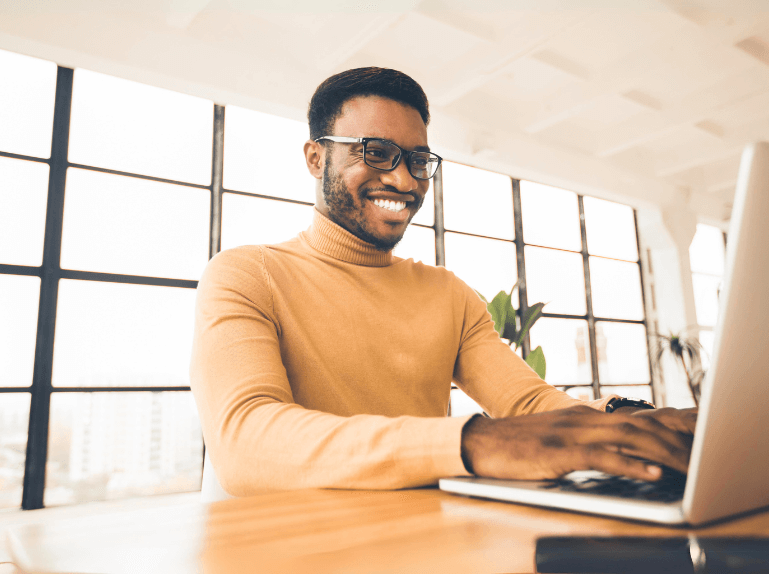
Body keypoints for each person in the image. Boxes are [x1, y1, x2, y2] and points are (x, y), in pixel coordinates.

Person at [189, 67, 696, 497]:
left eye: (417, 160)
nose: (406, 181)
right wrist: (472, 443)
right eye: (376, 151)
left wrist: (632, 420)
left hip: (425, 541)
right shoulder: (246, 274)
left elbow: (528, 404)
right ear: (316, 158)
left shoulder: (447, 295)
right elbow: (244, 437)